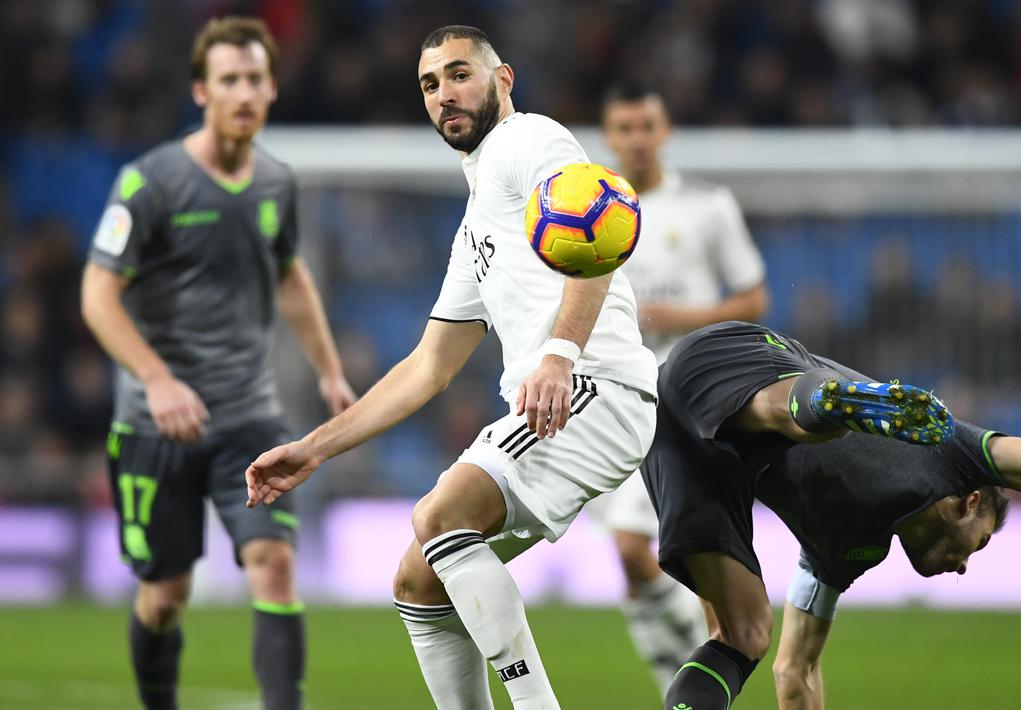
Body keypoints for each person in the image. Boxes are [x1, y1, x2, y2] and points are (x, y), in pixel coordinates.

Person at [244, 26, 662, 710]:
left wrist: (560, 354)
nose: (444, 94)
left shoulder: (528, 141)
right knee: (418, 581)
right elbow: (429, 366)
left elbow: (599, 227)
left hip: (592, 390)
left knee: (438, 516)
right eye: (430, 84)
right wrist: (314, 449)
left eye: (460, 74)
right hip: (559, 403)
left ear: (504, 80)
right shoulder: (475, 225)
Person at [641, 321, 1021, 710]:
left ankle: (828, 403)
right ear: (971, 501)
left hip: (675, 431)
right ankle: (831, 401)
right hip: (735, 358)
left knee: (743, 636)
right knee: (801, 418)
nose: (965, 566)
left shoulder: (845, 554)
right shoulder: (958, 454)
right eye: (979, 543)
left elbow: (795, 672)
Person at [80, 17, 356, 710]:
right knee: (164, 597)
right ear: (201, 92)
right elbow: (97, 295)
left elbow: (290, 275)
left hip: (247, 414)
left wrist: (328, 369)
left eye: (256, 79)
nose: (245, 93)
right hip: (157, 422)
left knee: (275, 564)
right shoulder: (150, 183)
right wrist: (156, 379)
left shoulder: (276, 183)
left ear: (272, 89)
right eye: (229, 80)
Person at [590, 81, 769, 694]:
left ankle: (711, 651)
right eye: (625, 128)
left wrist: (683, 318)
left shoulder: (706, 206)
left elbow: (754, 297)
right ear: (608, 136)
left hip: (684, 403)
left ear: (664, 132)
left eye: (647, 126)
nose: (637, 139)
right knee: (634, 568)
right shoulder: (585, 211)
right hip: (610, 397)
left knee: (635, 547)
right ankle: (683, 687)